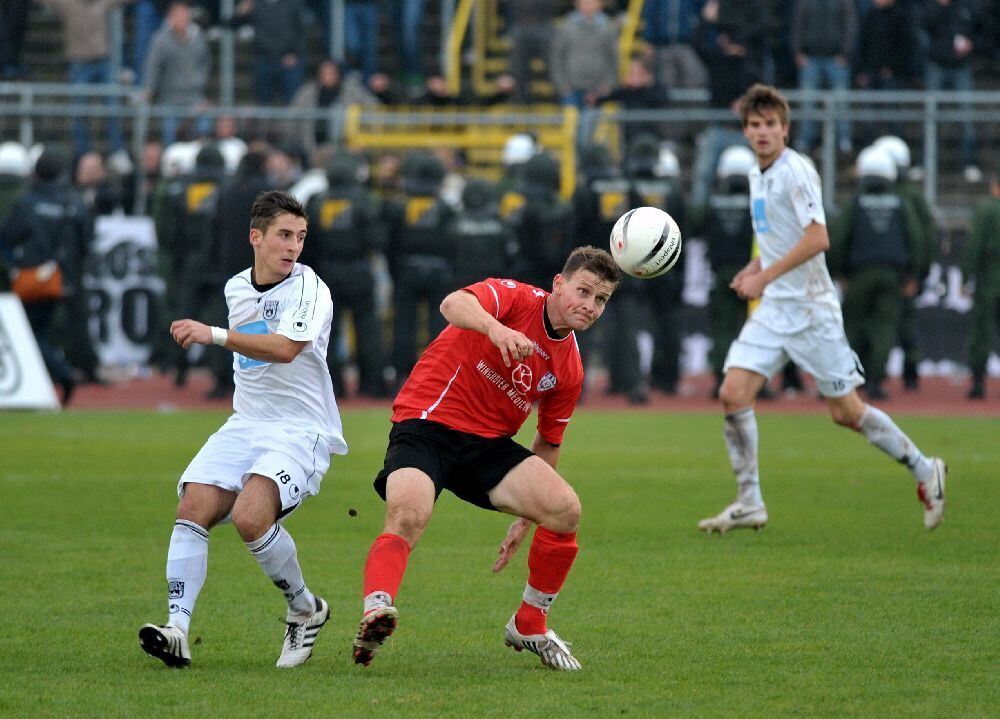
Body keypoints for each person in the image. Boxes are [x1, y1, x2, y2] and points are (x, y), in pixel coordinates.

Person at [352, 245, 620, 671]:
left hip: (486, 447)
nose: (589, 306)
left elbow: (549, 442)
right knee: (409, 514)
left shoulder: (569, 367)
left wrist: (526, 519)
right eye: (583, 291)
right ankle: (376, 610)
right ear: (559, 284)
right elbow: (452, 303)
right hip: (428, 423)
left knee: (565, 509)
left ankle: (529, 623)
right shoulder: (515, 297)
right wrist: (497, 330)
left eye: (600, 300)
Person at [698, 84, 947, 535]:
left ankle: (925, 467)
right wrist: (753, 268)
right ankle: (750, 501)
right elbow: (778, 238)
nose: (762, 132)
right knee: (733, 393)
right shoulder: (758, 174)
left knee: (846, 413)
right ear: (745, 131)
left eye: (770, 124)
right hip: (776, 308)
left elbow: (818, 238)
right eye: (754, 125)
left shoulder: (797, 172)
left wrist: (763, 277)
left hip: (813, 310)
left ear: (785, 129)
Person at [138, 190, 347, 668]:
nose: (293, 246)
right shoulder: (237, 288)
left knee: (253, 517)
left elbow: (286, 349)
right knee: (192, 505)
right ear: (256, 237)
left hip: (301, 429)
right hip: (247, 422)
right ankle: (177, 630)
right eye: (283, 235)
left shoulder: (310, 289)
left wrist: (211, 333)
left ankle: (305, 608)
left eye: (300, 236)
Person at [829, 145, 924, 401]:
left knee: (853, 327)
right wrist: (913, 275)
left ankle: (850, 380)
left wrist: (838, 272)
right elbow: (915, 239)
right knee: (884, 329)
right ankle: (875, 382)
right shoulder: (901, 203)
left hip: (859, 275)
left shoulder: (855, 203)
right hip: (892, 275)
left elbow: (839, 240)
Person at [143, 0, 212, 146]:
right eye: (177, 15)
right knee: (170, 138)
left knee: (204, 132)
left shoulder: (199, 38)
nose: (182, 18)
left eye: (184, 14)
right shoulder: (160, 40)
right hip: (170, 100)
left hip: (194, 99)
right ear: (170, 18)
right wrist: (149, 88)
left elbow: (205, 63)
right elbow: (153, 65)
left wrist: (201, 84)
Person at [960, 165, 1000, 400]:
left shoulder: (986, 211)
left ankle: (978, 382)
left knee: (982, 333)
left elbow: (973, 247)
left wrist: (966, 277)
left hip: (989, 281)